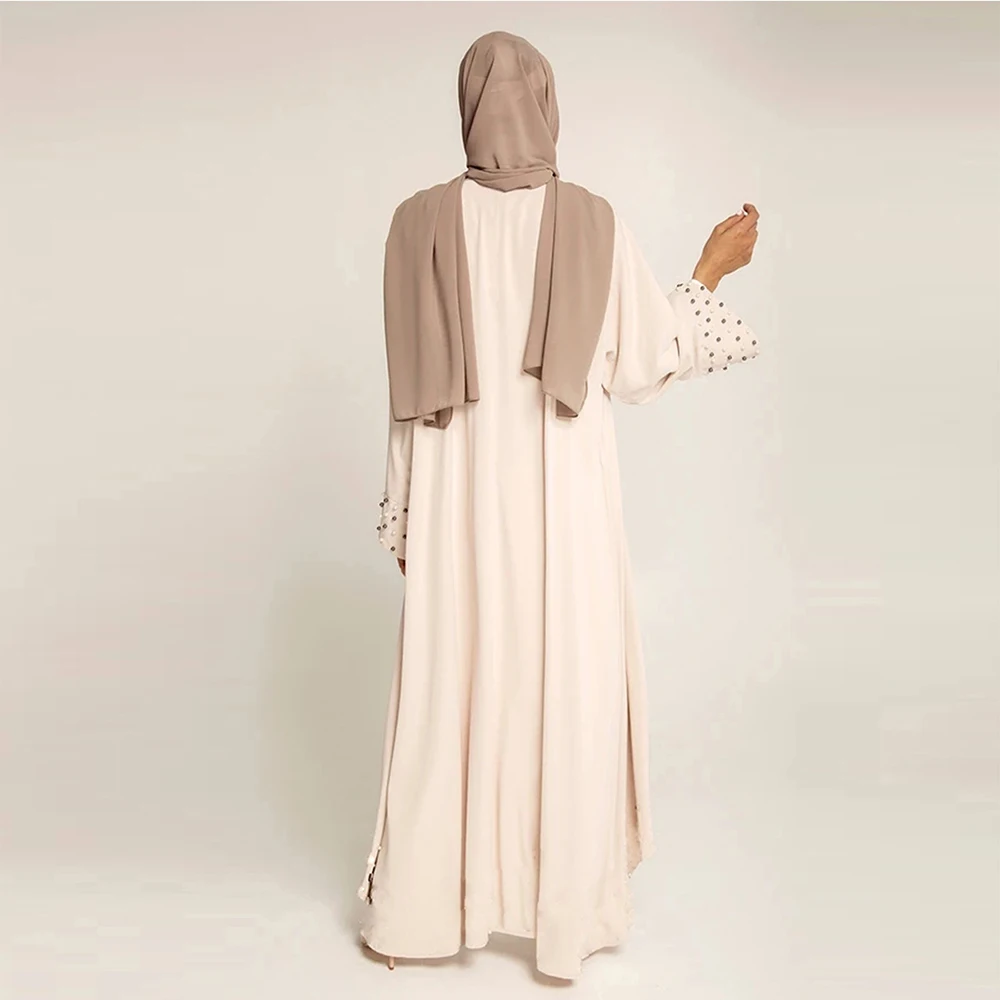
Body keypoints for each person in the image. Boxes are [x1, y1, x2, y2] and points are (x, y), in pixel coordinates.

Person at [357, 30, 760, 981]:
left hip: (457, 512)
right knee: (566, 690)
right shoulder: (591, 221)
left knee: (449, 691)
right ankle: (562, 921)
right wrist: (709, 269)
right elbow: (648, 358)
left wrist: (407, 515)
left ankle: (418, 914)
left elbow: (406, 396)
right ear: (548, 104)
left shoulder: (414, 225)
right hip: (564, 516)